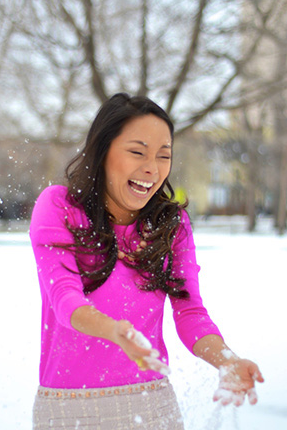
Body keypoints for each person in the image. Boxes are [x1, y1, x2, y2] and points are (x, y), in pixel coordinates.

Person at [29, 92, 263, 430]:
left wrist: (226, 360)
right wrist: (114, 331)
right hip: (69, 411)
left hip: (152, 407)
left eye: (163, 156)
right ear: (103, 150)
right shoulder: (60, 207)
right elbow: (65, 300)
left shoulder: (171, 226)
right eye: (137, 152)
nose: (152, 169)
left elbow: (190, 313)